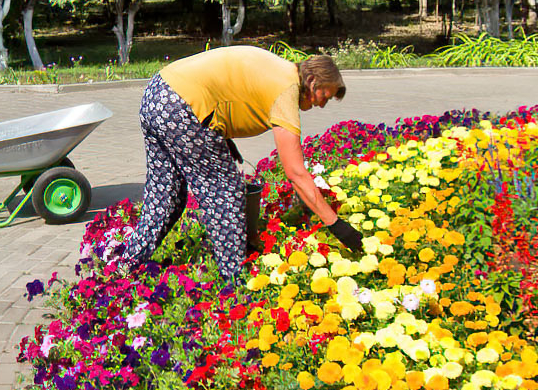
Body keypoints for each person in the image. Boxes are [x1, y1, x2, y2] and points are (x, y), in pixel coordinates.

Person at [124, 45, 363, 278]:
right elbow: (295, 173)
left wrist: (223, 138)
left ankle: (126, 263)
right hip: (181, 107)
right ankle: (232, 280)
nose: (322, 104)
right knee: (226, 192)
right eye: (325, 95)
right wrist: (337, 225)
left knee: (166, 193)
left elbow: (229, 88)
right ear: (312, 80)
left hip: (159, 93)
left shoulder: (280, 69)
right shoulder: (286, 90)